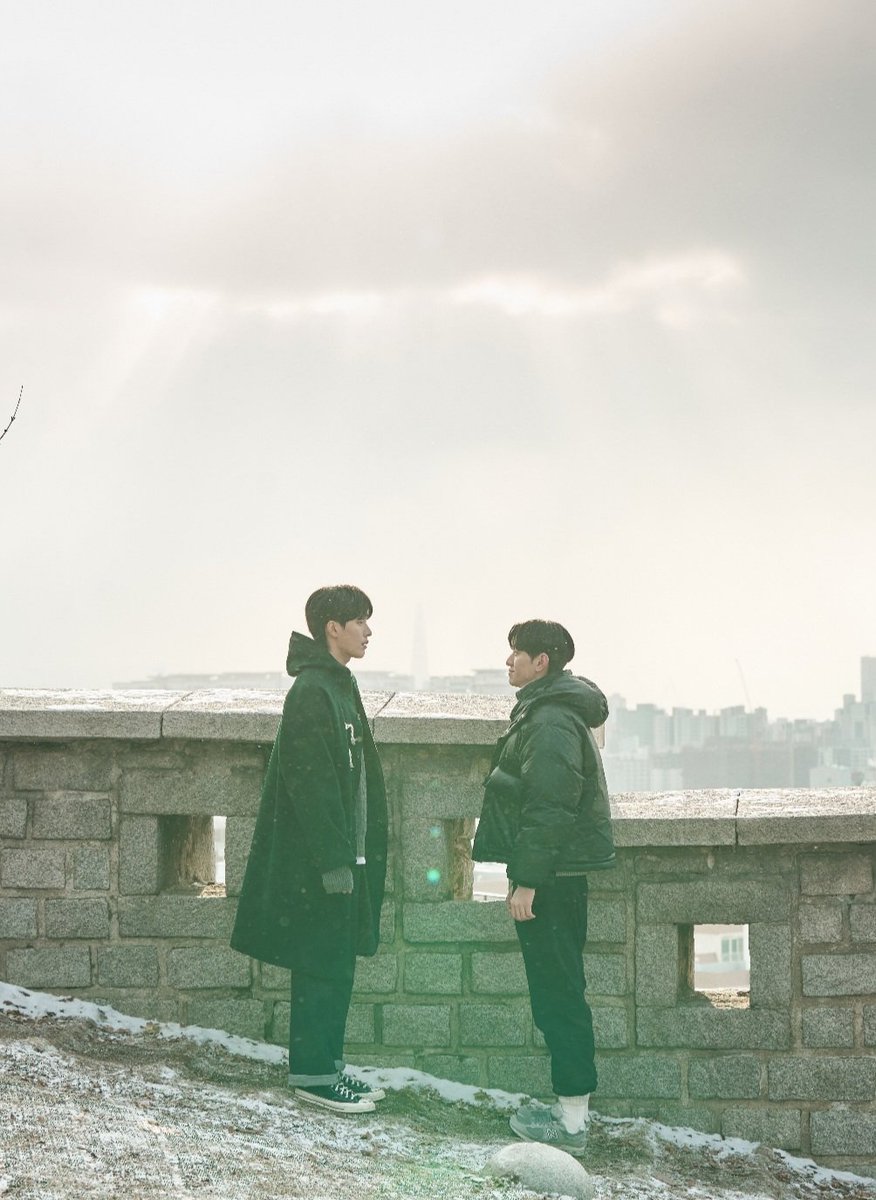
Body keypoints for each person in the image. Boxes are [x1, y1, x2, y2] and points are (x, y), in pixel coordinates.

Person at [231, 584, 388, 1114]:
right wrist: (334, 860)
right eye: (360, 621)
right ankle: (313, 1076)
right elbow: (312, 784)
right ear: (333, 629)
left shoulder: (337, 685)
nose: (368, 631)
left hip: (343, 857)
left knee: (336, 964)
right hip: (324, 864)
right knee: (321, 965)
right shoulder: (312, 692)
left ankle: (329, 1066)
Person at [472, 619, 614, 1155]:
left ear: (542, 664)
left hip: (550, 880)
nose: (508, 661)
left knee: (558, 996)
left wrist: (527, 881)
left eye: (517, 653)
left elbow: (548, 808)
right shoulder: (548, 710)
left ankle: (572, 1123)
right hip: (556, 876)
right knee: (557, 993)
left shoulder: (550, 719)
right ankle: (568, 1109)